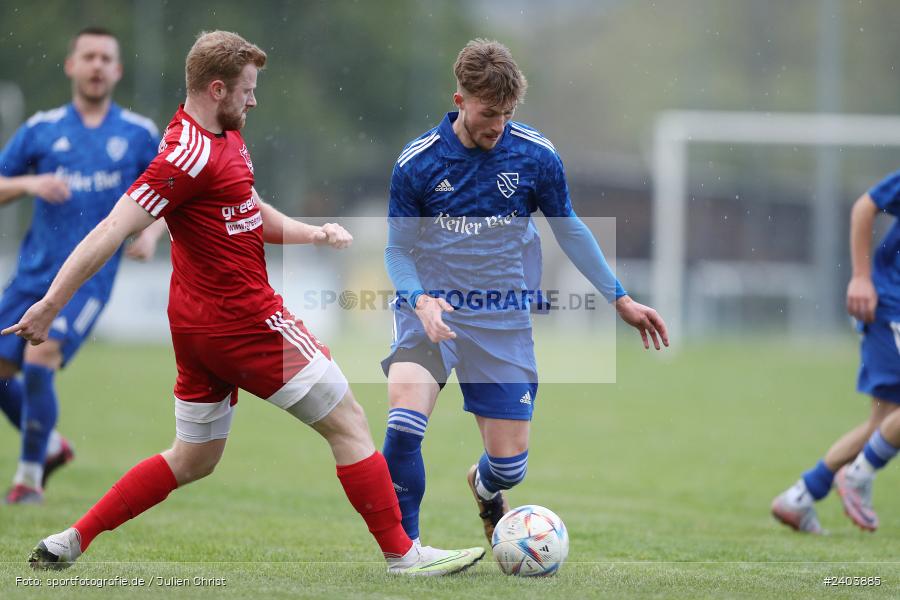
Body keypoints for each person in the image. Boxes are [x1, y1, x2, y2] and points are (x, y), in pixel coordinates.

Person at [3, 30, 482, 575]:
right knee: (348, 421)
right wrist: (49, 305)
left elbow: (248, 209)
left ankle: (71, 538)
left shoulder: (219, 137)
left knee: (193, 458)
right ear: (216, 88)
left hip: (198, 331)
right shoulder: (185, 156)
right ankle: (404, 554)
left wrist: (313, 234)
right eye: (248, 90)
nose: (254, 99)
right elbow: (112, 229)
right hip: (248, 323)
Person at [380, 39, 669, 545]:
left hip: (501, 317)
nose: (498, 125)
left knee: (510, 468)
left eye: (508, 113)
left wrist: (619, 297)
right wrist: (420, 301)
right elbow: (397, 251)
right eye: (489, 112)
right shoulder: (418, 164)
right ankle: (405, 551)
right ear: (460, 100)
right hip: (432, 311)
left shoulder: (534, 155)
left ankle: (485, 488)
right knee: (404, 424)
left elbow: (570, 228)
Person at [0, 27, 166, 504]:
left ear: (117, 71)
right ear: (72, 65)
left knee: (39, 356)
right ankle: (50, 446)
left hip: (88, 281)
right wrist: (32, 185)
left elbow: (171, 196)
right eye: (88, 56)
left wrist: (151, 234)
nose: (96, 65)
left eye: (106, 58)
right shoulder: (41, 128)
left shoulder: (138, 133)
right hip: (31, 273)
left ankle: (28, 481)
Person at [772, 173, 900, 534]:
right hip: (892, 306)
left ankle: (800, 496)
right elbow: (865, 206)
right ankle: (858, 474)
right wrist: (860, 277)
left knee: (883, 425)